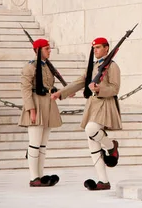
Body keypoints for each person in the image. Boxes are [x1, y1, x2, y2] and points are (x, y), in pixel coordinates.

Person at [52, 37, 121, 191]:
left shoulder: (113, 66)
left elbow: (115, 88)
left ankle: (111, 146)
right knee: (92, 142)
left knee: (91, 129)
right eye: (94, 48)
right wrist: (60, 93)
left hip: (105, 104)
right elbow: (80, 82)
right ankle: (103, 181)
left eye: (98, 47)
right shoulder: (93, 66)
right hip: (92, 104)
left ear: (106, 48)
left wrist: (99, 90)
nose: (95, 50)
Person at [19, 38, 62, 187]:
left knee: (43, 144)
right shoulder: (30, 67)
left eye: (49, 48)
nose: (50, 51)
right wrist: (31, 110)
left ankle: (41, 175)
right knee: (35, 143)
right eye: (46, 49)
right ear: (38, 51)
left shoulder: (47, 66)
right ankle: (33, 177)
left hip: (48, 105)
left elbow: (50, 86)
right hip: (36, 105)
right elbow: (25, 89)